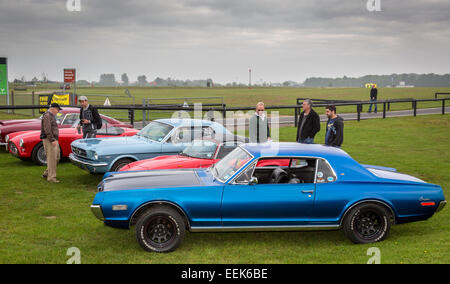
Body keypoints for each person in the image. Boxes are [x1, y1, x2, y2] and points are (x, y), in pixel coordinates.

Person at [40, 103, 62, 183]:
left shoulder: (51, 115)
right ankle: (51, 178)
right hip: (49, 140)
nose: (58, 111)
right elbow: (47, 129)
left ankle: (46, 173)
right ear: (53, 109)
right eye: (58, 110)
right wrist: (52, 139)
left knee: (57, 157)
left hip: (54, 139)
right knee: (52, 159)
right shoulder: (47, 116)